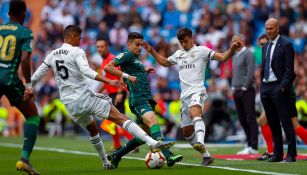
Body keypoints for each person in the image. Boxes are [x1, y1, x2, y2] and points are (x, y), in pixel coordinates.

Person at [30, 25, 175, 170]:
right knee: (121, 118)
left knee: (93, 129)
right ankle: (152, 143)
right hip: (84, 97)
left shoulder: (52, 54)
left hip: (69, 105)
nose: (80, 42)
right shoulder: (77, 51)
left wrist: (28, 88)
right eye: (79, 38)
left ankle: (106, 161)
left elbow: (37, 75)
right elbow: (86, 71)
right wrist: (109, 81)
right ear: (73, 37)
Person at [143, 27, 243, 166]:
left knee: (195, 113)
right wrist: (151, 51)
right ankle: (206, 156)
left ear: (192, 38)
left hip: (197, 90)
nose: (183, 45)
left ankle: (201, 141)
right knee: (187, 132)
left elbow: (223, 57)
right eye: (181, 42)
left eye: (185, 41)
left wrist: (232, 48)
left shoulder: (201, 51)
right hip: (184, 95)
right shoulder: (178, 54)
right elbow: (165, 62)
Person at [105, 32, 183, 169]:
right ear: (129, 44)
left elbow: (134, 72)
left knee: (143, 136)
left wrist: (144, 70)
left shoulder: (135, 59)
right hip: (138, 99)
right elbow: (108, 67)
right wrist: (127, 76)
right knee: (154, 121)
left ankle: (116, 156)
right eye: (137, 44)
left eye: (141, 44)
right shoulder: (126, 55)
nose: (140, 47)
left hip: (147, 98)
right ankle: (168, 155)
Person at [0, 1, 40, 174]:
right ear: (24, 13)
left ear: (8, 13)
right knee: (33, 116)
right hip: (9, 78)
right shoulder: (25, 32)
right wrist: (28, 87)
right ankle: (24, 159)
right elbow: (24, 60)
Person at [256, 34, 307, 161]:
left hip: (284, 92)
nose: (262, 47)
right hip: (272, 90)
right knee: (265, 121)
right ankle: (271, 151)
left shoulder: (283, 47)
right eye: (260, 45)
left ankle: (275, 151)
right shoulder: (266, 51)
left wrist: (283, 88)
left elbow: (290, 72)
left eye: (263, 44)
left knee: (292, 124)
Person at [260, 18, 296, 162]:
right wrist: (262, 86)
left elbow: (289, 70)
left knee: (286, 122)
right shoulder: (265, 46)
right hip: (266, 87)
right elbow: (264, 68)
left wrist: (282, 87)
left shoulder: (286, 44)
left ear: (278, 28)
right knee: (273, 123)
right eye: (267, 28)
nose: (268, 31)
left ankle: (292, 154)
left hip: (278, 87)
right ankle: (277, 154)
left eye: (271, 28)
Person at [96, 37, 135, 152]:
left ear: (107, 47)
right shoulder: (104, 61)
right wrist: (97, 92)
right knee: (114, 120)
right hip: (111, 94)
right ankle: (118, 144)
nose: (99, 49)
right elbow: (107, 79)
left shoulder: (112, 59)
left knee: (117, 119)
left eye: (102, 46)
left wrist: (119, 92)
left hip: (117, 93)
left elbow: (121, 75)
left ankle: (130, 143)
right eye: (98, 47)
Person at [231, 35, 258, 155]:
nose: (234, 43)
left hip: (246, 90)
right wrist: (233, 87)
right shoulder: (235, 55)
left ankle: (254, 145)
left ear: (243, 41)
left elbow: (251, 72)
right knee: (242, 119)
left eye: (237, 41)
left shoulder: (248, 53)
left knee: (250, 117)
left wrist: (245, 86)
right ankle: (248, 143)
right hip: (236, 90)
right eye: (233, 41)